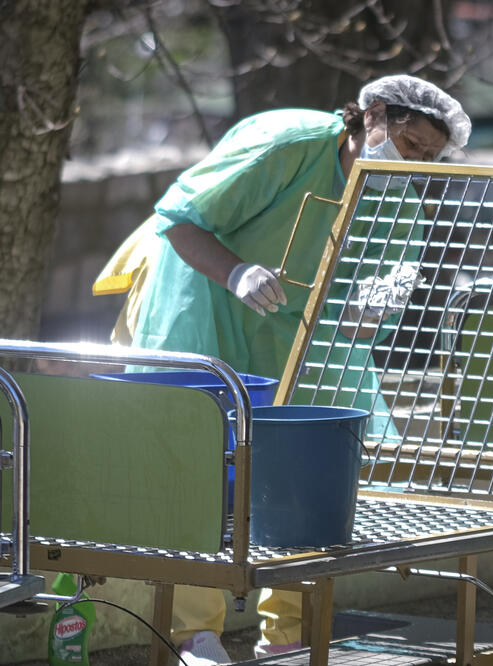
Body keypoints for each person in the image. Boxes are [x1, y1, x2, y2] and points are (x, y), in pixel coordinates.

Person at [92, 74, 470, 665]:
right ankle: (197, 635)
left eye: (428, 155)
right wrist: (237, 272)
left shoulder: (394, 193)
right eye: (412, 142)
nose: (416, 160)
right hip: (204, 301)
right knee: (203, 466)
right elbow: (179, 216)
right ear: (372, 114)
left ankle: (289, 635)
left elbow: (382, 289)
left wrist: (374, 307)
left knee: (304, 470)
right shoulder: (287, 143)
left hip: (296, 332)